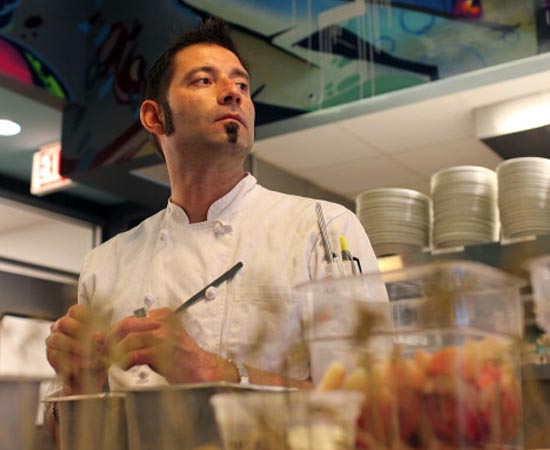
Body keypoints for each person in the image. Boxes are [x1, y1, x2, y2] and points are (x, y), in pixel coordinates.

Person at [45, 17, 383, 399]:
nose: (233, 93)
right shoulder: (105, 264)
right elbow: (79, 436)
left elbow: (370, 402)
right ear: (155, 117)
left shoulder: (324, 227)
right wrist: (78, 383)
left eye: (242, 85)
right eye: (204, 80)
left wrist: (213, 370)